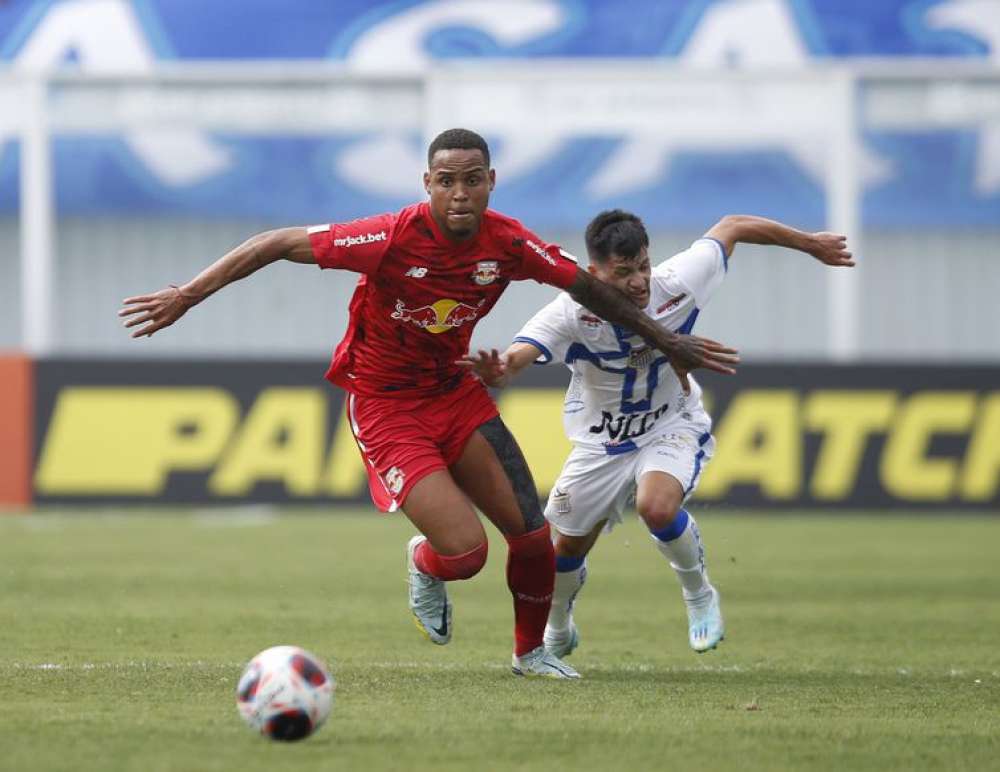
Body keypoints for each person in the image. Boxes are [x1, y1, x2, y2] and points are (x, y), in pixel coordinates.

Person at [118, 129, 739, 679]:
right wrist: (188, 295)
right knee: (466, 555)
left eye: (472, 180)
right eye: (447, 181)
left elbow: (589, 288)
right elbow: (275, 242)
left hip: (455, 395)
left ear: (491, 182)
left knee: (531, 536)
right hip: (387, 407)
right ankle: (424, 562)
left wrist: (667, 341)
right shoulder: (388, 237)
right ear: (428, 183)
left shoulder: (511, 245)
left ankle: (531, 656)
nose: (460, 193)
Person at [458, 209, 853, 659]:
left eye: (642, 266)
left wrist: (810, 244)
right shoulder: (570, 314)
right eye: (623, 272)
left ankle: (699, 595)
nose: (639, 281)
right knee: (563, 549)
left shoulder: (677, 283)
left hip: (670, 423)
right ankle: (560, 624)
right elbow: (517, 357)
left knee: (656, 506)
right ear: (594, 273)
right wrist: (501, 368)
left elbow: (732, 225)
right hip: (601, 442)